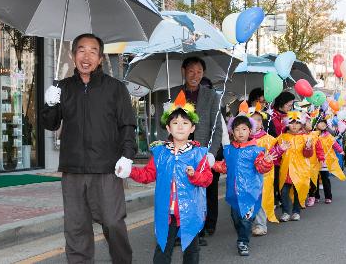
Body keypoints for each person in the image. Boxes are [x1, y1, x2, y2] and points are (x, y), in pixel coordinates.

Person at [42, 33, 136, 263]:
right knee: (76, 230)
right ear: (73, 55)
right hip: (73, 170)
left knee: (113, 223)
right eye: (81, 50)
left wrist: (127, 156)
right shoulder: (62, 87)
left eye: (93, 51)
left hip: (107, 169)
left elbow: (127, 125)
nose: (87, 56)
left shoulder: (115, 88)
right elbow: (50, 123)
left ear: (100, 58)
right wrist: (50, 104)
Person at [126, 91, 213, 264]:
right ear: (168, 127)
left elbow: (207, 179)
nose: (180, 127)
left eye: (185, 123)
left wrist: (194, 175)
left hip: (190, 212)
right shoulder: (160, 153)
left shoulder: (198, 154)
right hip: (168, 213)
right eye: (175, 123)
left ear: (192, 128)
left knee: (191, 250)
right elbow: (147, 174)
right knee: (162, 249)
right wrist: (129, 171)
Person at [157, 56, 223, 245]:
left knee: (203, 192)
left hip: (201, 151)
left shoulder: (212, 96)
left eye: (199, 72)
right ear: (183, 71)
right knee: (179, 191)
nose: (195, 75)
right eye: (191, 71)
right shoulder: (174, 95)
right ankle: (179, 230)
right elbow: (165, 126)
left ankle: (200, 231)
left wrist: (211, 152)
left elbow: (216, 128)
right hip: (179, 151)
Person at [213, 108, 275, 256]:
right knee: (236, 219)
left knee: (246, 220)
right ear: (232, 132)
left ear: (250, 131)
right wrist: (211, 163)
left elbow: (261, 168)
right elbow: (224, 167)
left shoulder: (256, 150)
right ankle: (242, 234)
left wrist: (266, 162)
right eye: (237, 129)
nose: (240, 132)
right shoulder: (228, 150)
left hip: (251, 193)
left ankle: (243, 242)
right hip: (234, 193)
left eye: (244, 129)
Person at [249, 110, 289, 236]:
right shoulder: (242, 138)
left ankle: (260, 225)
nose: (256, 122)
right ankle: (248, 223)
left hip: (264, 175)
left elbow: (273, 154)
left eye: (259, 120)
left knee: (261, 199)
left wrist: (280, 149)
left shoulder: (268, 139)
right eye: (252, 119)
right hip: (247, 175)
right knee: (248, 199)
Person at [276, 111, 313, 222]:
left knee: (298, 190)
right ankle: (286, 212)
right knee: (284, 191)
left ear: (301, 124)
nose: (294, 125)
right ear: (287, 124)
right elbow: (277, 153)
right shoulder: (282, 137)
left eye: (297, 123)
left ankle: (296, 211)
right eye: (292, 123)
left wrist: (308, 147)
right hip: (286, 169)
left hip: (300, 170)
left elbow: (308, 155)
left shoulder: (306, 138)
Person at [309, 118, 346, 204]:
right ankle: (315, 196)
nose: (322, 125)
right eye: (320, 123)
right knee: (314, 179)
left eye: (324, 124)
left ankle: (328, 196)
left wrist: (341, 150)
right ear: (316, 124)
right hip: (314, 160)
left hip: (324, 160)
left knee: (325, 179)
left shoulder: (328, 135)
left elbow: (335, 144)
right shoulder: (312, 135)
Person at [270, 91, 296, 207]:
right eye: (289, 105)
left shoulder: (290, 116)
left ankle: (283, 198)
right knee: (275, 176)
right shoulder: (272, 115)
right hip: (275, 151)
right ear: (282, 102)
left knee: (285, 176)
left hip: (288, 152)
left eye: (291, 105)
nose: (290, 108)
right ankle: (276, 198)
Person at [304, 116, 325, 207]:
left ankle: (312, 196)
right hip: (302, 163)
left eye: (309, 122)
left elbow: (319, 148)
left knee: (313, 180)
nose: (308, 124)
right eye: (306, 122)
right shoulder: (299, 136)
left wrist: (321, 158)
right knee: (304, 180)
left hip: (313, 163)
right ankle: (302, 197)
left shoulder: (315, 136)